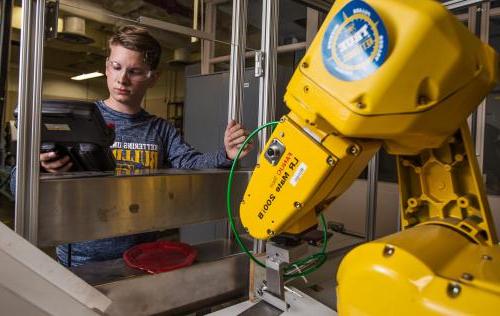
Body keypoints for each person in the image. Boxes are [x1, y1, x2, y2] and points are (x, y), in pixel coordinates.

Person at [13, 25, 253, 267]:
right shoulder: (77, 121)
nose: (122, 79)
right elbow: (17, 186)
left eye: (135, 71)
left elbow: (192, 164)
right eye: (116, 67)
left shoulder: (161, 129)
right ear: (107, 67)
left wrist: (227, 154)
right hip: (81, 257)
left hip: (141, 253)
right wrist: (40, 167)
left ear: (153, 77)